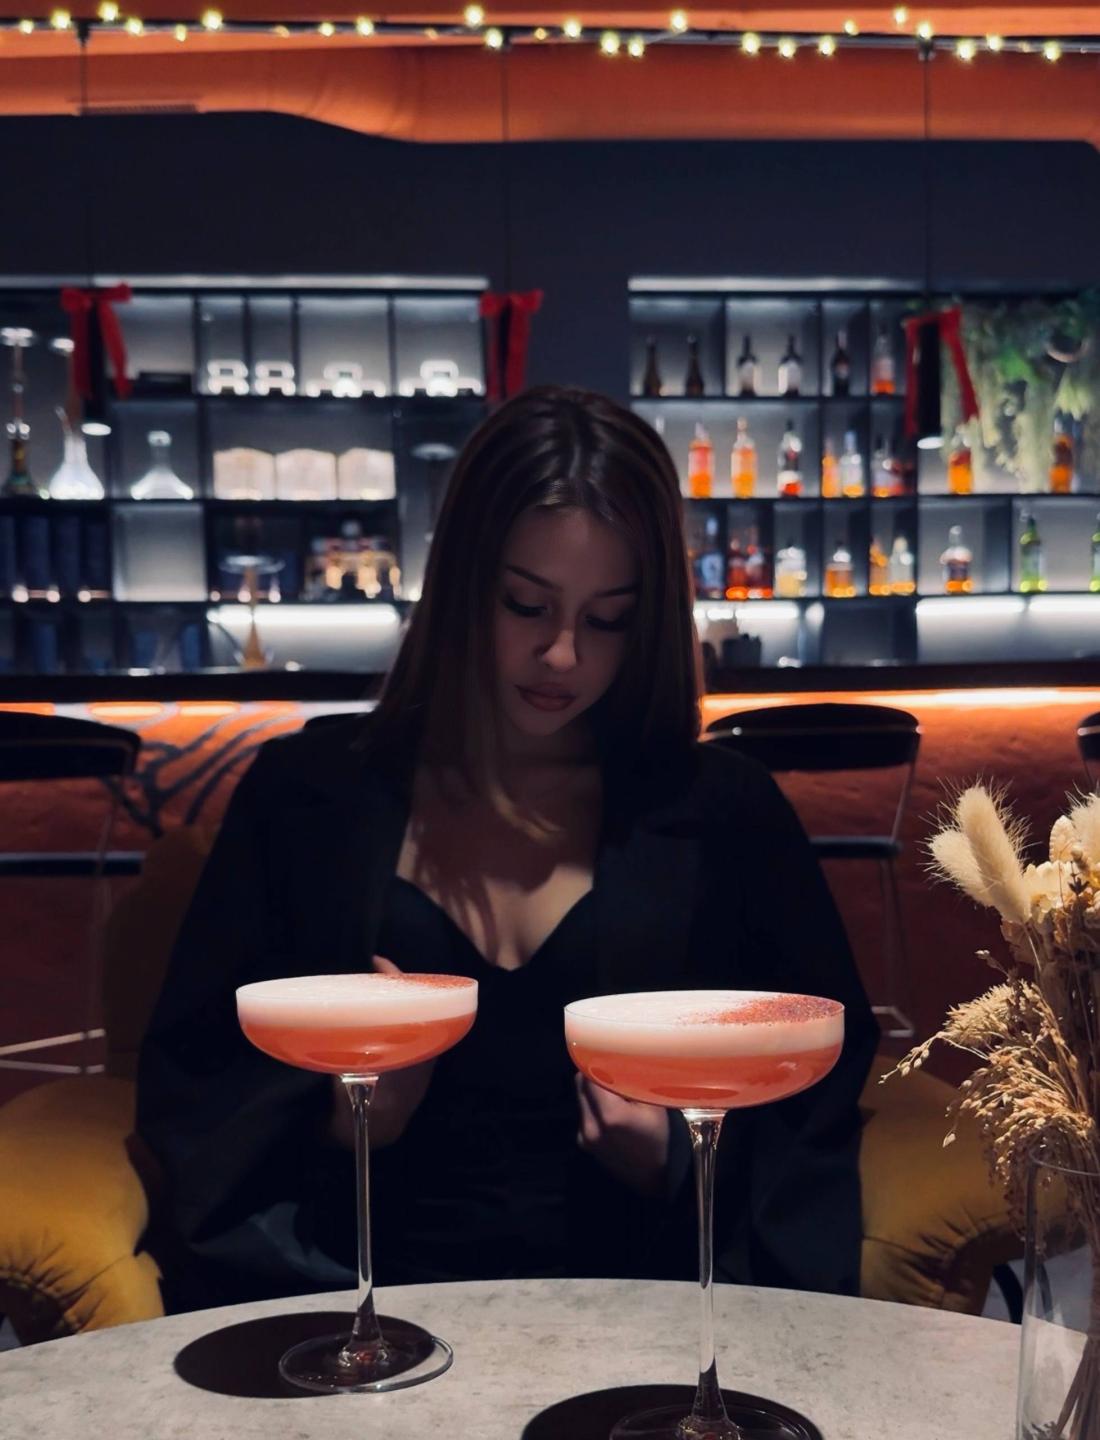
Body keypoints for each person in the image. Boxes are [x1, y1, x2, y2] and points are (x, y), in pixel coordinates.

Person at [136, 384, 878, 1313]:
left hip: (641, 1312)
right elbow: (193, 1082)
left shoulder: (722, 814)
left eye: (607, 618)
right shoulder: (308, 796)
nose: (562, 654)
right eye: (527, 604)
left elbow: (819, 1092)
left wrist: (684, 1157)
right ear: (463, 587)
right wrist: (342, 1115)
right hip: (362, 1309)